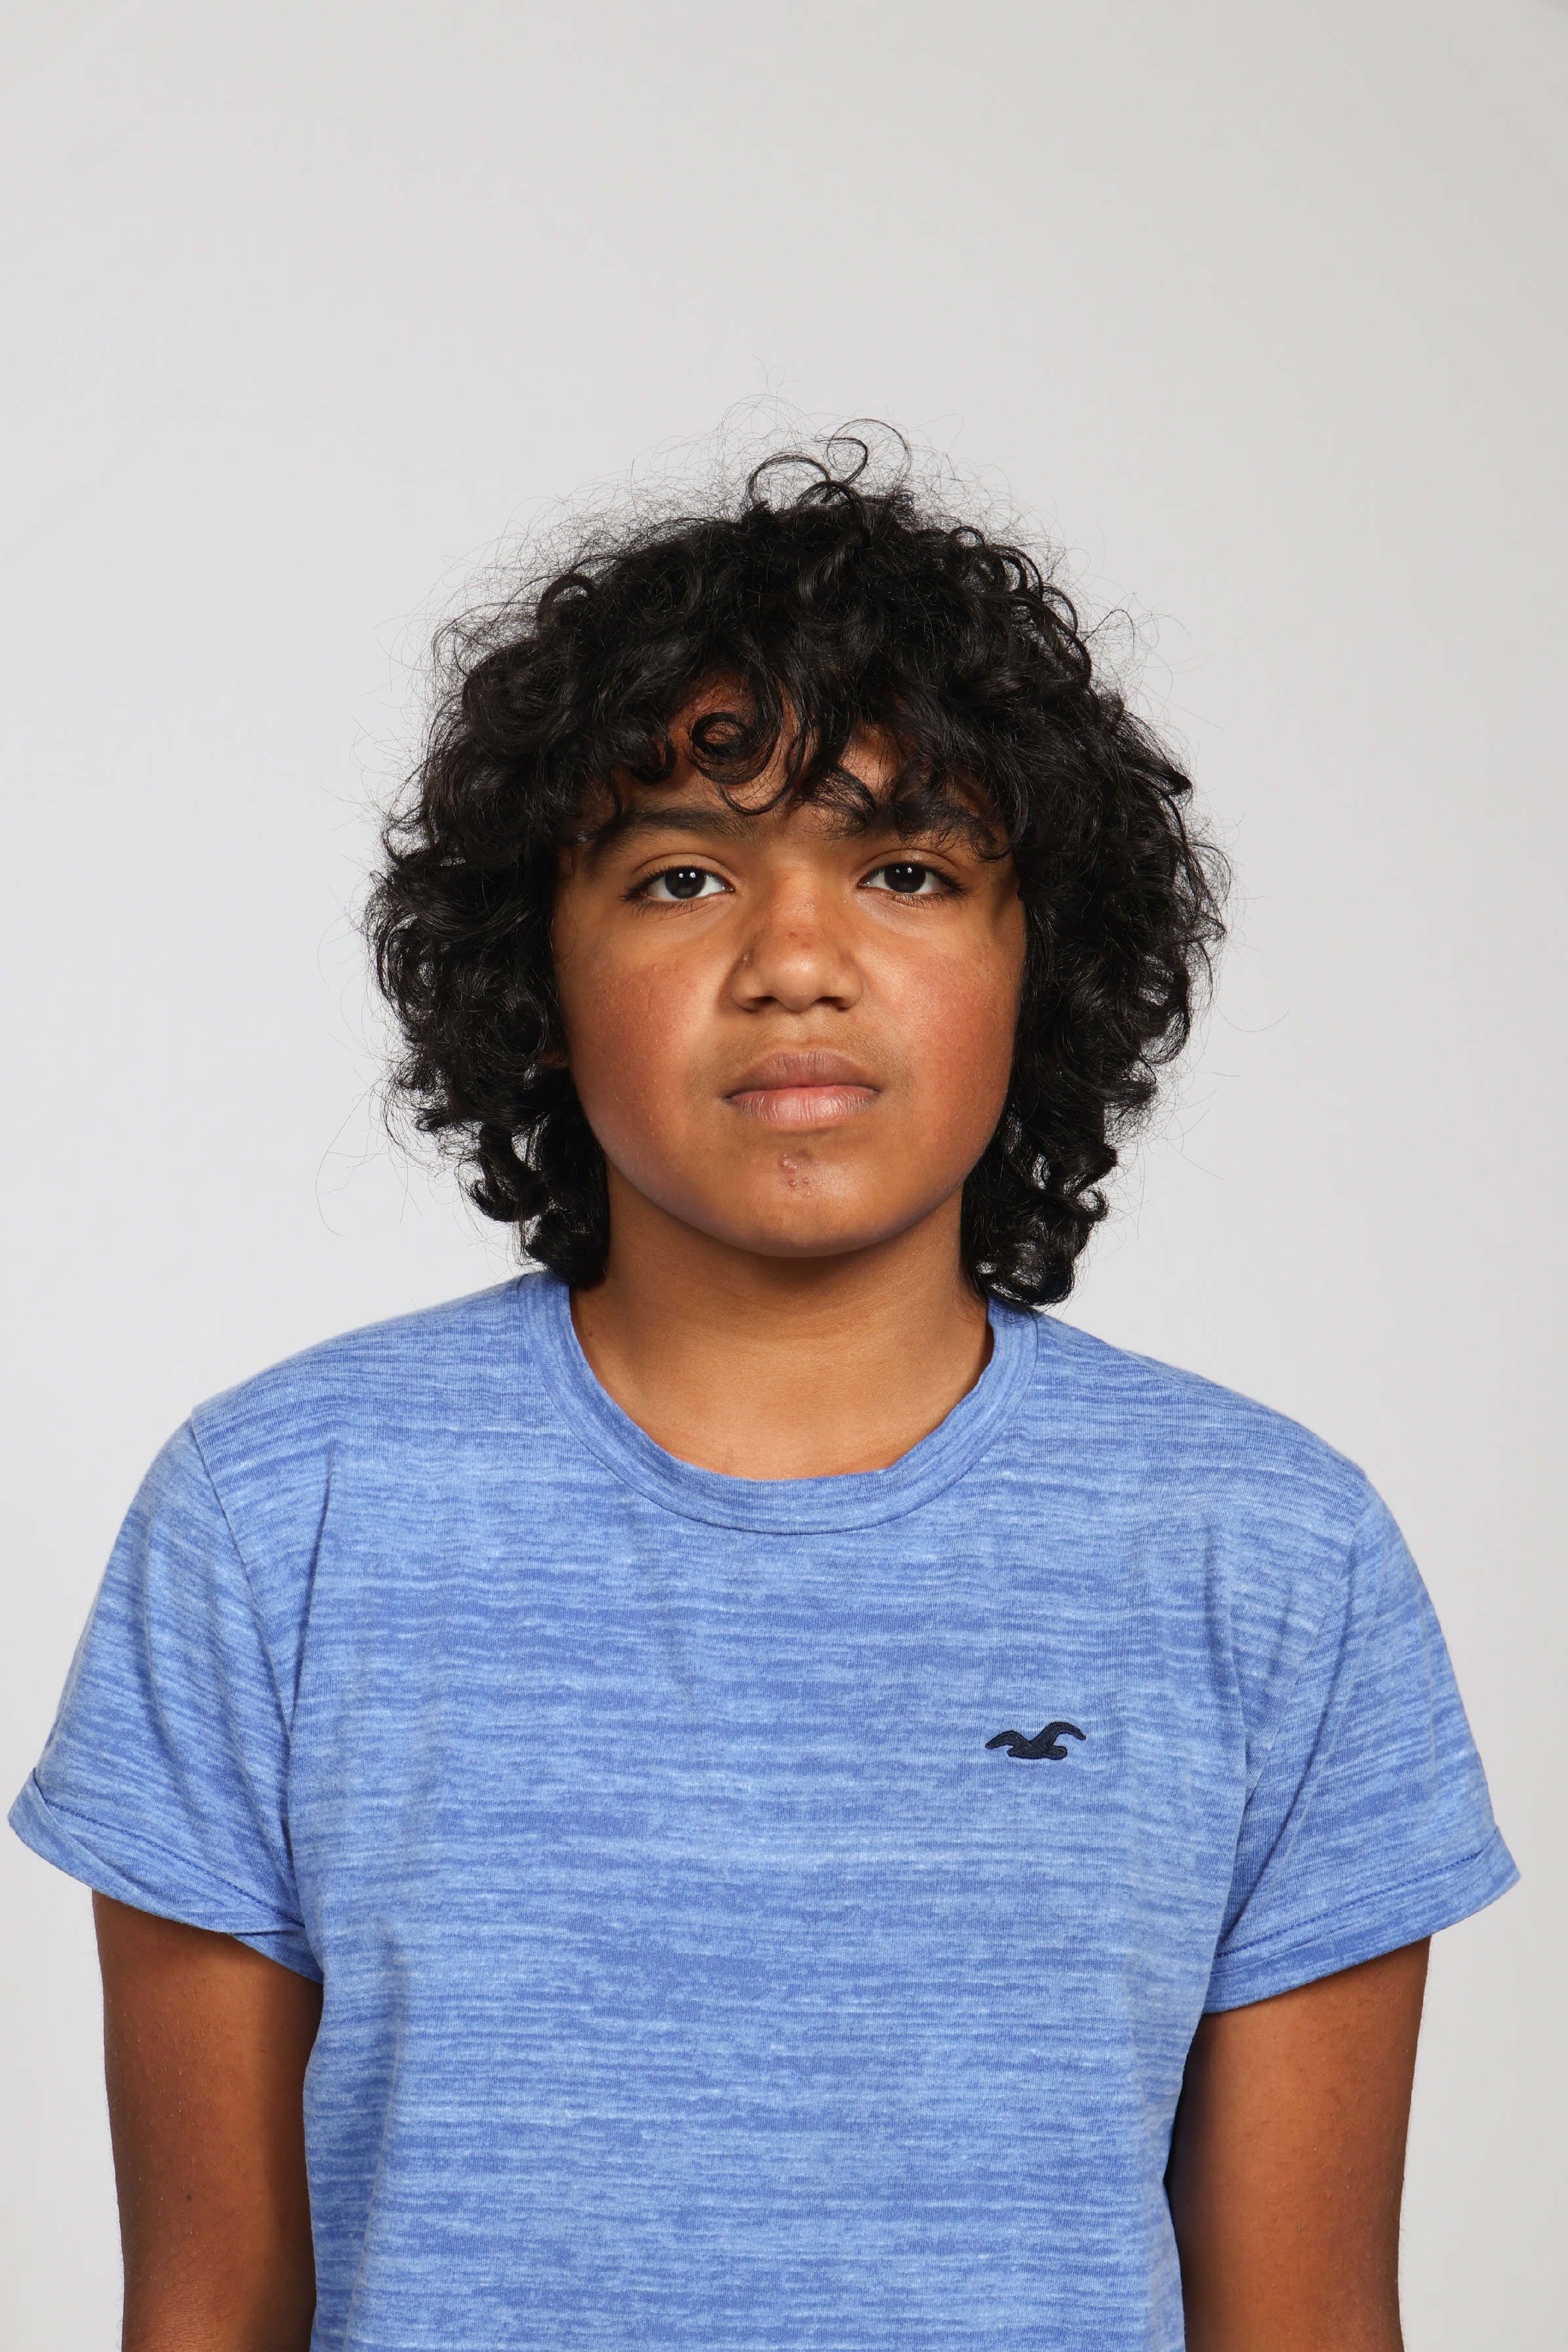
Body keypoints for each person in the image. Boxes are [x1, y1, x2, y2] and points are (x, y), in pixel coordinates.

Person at [11, 437, 1516, 2351]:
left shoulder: (1269, 1557)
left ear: (1038, 960)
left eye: (906, 869)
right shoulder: (278, 1520)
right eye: (681, 874)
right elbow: (207, 2311)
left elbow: (1302, 2321)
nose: (796, 961)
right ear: (538, 976)